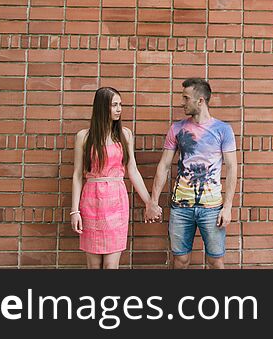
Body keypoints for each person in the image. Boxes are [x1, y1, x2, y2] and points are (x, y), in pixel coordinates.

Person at [148, 78, 237, 269]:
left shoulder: (223, 130)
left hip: (212, 208)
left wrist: (227, 207)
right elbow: (163, 166)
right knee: (180, 260)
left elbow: (232, 169)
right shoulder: (177, 128)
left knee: (215, 261)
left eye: (186, 98)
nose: (182, 103)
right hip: (180, 207)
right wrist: (153, 201)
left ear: (200, 101)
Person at [71, 87, 162, 269]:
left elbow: (133, 170)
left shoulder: (125, 135)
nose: (119, 109)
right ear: (102, 107)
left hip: (116, 202)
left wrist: (149, 202)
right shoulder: (84, 137)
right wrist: (75, 211)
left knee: (112, 266)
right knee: (93, 265)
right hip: (91, 202)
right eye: (114, 105)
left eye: (120, 104)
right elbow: (77, 175)